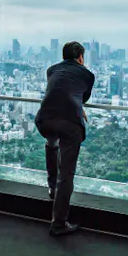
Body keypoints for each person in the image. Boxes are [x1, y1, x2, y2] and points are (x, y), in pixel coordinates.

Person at [35, 41, 95, 236]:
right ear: (80, 58)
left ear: (63, 56)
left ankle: (52, 188)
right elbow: (81, 97)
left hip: (45, 120)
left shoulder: (51, 70)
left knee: (51, 143)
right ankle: (59, 223)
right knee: (67, 174)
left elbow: (58, 91)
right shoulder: (87, 74)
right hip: (69, 125)